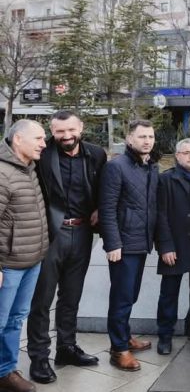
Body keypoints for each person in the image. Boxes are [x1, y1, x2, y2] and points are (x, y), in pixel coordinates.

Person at [27, 111, 105, 384]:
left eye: (71, 130)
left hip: (83, 232)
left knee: (71, 296)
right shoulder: (42, 154)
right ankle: (39, 357)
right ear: (52, 131)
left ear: (81, 127)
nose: (66, 136)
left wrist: (99, 208)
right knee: (42, 300)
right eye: (60, 131)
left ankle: (66, 348)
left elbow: (102, 187)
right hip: (50, 234)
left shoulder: (96, 154)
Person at [99, 119, 160, 371]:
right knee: (122, 297)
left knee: (131, 294)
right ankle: (118, 349)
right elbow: (107, 208)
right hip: (123, 245)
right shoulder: (116, 167)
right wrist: (113, 243)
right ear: (129, 139)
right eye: (142, 136)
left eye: (151, 136)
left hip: (141, 242)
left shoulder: (151, 166)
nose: (147, 141)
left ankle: (125, 336)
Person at [0, 120, 48, 392]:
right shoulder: (3, 173)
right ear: (18, 139)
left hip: (31, 261)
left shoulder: (28, 168)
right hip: (8, 266)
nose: (44, 144)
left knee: (16, 319)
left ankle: (6, 372)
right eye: (38, 138)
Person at [154, 138, 190, 355]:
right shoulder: (166, 180)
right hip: (176, 244)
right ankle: (165, 336)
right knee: (169, 293)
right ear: (177, 156)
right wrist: (165, 246)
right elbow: (160, 215)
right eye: (186, 152)